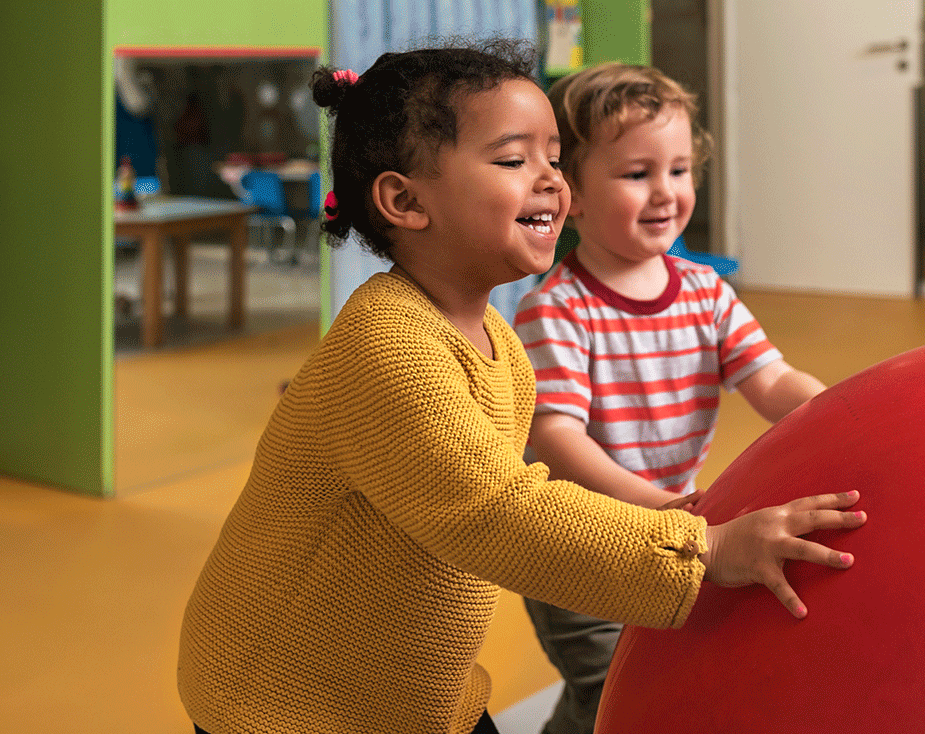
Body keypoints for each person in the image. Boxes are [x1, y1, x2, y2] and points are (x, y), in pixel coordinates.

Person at [177, 41, 865, 734]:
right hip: (286, 705)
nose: (551, 183)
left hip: (415, 694)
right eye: (513, 161)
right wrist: (706, 550)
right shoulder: (388, 346)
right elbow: (498, 513)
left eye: (553, 160)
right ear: (405, 200)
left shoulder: (498, 343)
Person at [512, 62, 830, 734]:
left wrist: (836, 409)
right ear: (571, 192)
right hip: (583, 544)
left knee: (648, 676)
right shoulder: (557, 310)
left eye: (679, 170)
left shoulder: (705, 292)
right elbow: (558, 440)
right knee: (609, 690)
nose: (665, 192)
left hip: (673, 532)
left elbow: (770, 381)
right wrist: (668, 509)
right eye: (636, 174)